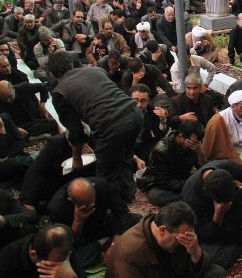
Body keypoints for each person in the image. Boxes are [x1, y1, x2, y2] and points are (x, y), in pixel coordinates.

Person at [49, 51, 144, 203]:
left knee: (105, 173)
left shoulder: (59, 92)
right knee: (124, 156)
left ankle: (117, 209)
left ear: (53, 74)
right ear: (72, 65)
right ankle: (127, 194)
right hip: (135, 115)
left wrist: (77, 158)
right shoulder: (96, 70)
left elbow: (76, 131)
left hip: (111, 125)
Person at [105, 201, 221, 278]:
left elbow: (193, 267)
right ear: (162, 231)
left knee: (217, 272)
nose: (184, 242)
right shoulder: (131, 251)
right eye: (181, 239)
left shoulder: (175, 233)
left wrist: (195, 252)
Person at [47, 177, 141, 268]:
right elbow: (66, 244)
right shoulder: (57, 208)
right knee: (66, 260)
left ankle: (105, 247)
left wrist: (114, 244)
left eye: (91, 203)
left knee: (137, 219)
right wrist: (77, 223)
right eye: (85, 206)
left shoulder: (102, 186)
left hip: (100, 225)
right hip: (83, 240)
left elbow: (122, 212)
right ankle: (101, 248)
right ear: (70, 200)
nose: (90, 208)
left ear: (93, 187)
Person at [137, 120, 207, 207]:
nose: (195, 145)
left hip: (182, 177)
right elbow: (162, 181)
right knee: (156, 197)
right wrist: (188, 184)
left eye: (198, 142)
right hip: (161, 182)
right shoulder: (161, 149)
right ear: (180, 136)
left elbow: (203, 168)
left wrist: (200, 152)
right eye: (193, 142)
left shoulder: (194, 146)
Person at [0, 223, 86, 278]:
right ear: (34, 255)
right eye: (54, 264)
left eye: (63, 262)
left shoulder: (62, 247)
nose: (61, 267)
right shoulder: (7, 263)